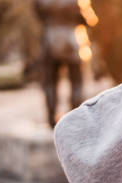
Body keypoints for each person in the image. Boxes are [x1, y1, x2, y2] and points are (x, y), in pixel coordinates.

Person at [35, 0, 85, 128]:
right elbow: (83, 18)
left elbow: (38, 14)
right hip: (70, 40)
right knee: (76, 82)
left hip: (50, 40)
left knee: (50, 83)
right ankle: (76, 117)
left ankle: (51, 119)